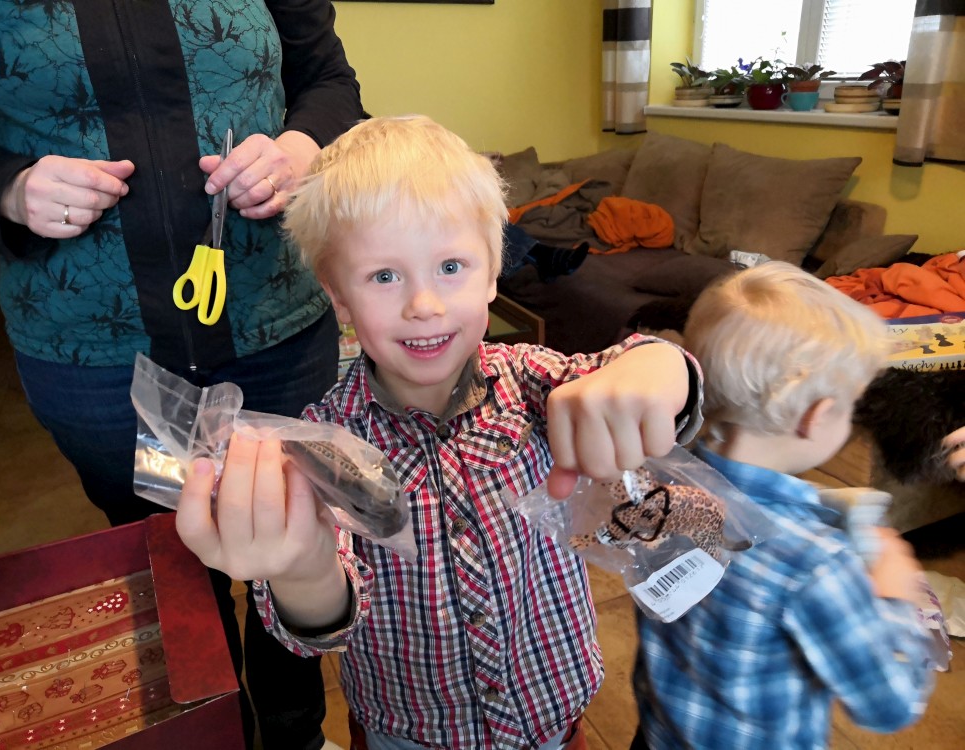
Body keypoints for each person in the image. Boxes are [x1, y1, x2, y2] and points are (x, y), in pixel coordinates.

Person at [176, 114, 704, 750]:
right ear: (337, 296)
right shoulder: (323, 444)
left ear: (492, 273)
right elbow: (315, 626)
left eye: (451, 266)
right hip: (408, 734)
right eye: (384, 276)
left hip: (551, 720)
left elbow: (643, 372)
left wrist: (659, 368)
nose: (423, 304)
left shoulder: (535, 381)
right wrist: (304, 571)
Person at [0, 4, 363, 749]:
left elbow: (330, 81)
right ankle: (215, 731)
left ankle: (295, 735)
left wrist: (300, 148)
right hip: (93, 357)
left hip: (278, 330)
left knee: (295, 541)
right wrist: (5, 189)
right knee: (171, 575)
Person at [630, 262, 935, 750]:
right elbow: (889, 706)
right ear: (817, 417)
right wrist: (898, 598)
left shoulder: (659, 490)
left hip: (660, 733)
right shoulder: (816, 563)